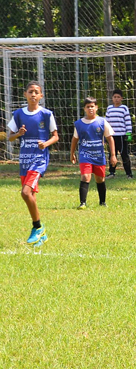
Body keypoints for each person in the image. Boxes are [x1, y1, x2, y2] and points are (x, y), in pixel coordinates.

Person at [6, 81, 59, 246]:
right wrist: (19, 134)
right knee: (30, 196)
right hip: (24, 160)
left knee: (25, 192)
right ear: (25, 95)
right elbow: (10, 136)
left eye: (37, 92)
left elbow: (55, 136)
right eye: (30, 92)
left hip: (39, 159)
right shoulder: (18, 114)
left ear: (41, 96)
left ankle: (36, 227)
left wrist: (46, 144)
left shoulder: (46, 114)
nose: (33, 95)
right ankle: (42, 233)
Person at [70, 96, 116, 209]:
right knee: (85, 176)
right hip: (85, 154)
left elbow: (110, 138)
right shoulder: (79, 124)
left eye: (92, 106)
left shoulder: (102, 122)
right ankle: (82, 203)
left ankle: (102, 202)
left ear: (96, 108)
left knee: (100, 178)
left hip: (99, 155)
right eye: (88, 107)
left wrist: (113, 155)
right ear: (84, 109)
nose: (90, 109)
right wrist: (72, 153)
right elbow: (75, 139)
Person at [106, 88, 133, 178]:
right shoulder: (109, 108)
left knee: (124, 154)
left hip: (121, 135)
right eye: (115, 97)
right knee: (112, 154)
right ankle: (112, 172)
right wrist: (105, 133)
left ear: (121, 98)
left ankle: (129, 173)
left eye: (118, 97)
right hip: (112, 136)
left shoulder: (124, 108)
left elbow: (128, 121)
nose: (116, 99)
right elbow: (107, 122)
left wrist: (128, 133)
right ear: (112, 98)